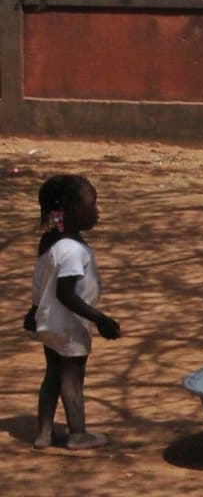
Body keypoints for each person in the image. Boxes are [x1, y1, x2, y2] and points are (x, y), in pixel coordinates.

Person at [23, 174, 121, 451]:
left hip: (48, 322)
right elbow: (65, 293)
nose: (97, 210)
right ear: (72, 209)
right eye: (92, 204)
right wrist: (100, 319)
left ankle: (43, 433)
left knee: (52, 374)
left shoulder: (51, 240)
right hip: (69, 325)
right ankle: (77, 434)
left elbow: (43, 279)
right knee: (72, 378)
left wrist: (33, 311)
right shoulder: (73, 250)